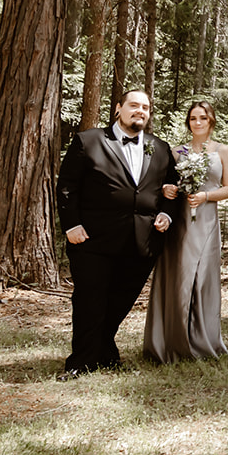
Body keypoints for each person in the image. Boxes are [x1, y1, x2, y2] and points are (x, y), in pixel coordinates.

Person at [56, 89, 177, 375]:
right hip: (93, 238)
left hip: (142, 240)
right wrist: (71, 225)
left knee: (121, 300)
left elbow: (172, 190)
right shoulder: (89, 140)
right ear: (119, 108)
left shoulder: (159, 147)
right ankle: (81, 361)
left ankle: (105, 351)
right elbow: (67, 186)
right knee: (89, 299)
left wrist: (166, 214)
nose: (140, 111)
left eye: (146, 107)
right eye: (134, 105)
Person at [144, 100, 228, 363]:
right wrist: (167, 190)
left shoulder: (222, 150)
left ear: (211, 121)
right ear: (188, 122)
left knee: (203, 277)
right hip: (180, 222)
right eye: (193, 118)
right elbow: (165, 184)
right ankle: (170, 339)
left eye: (202, 118)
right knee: (179, 277)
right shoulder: (176, 151)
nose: (197, 123)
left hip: (206, 220)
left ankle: (203, 339)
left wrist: (206, 195)